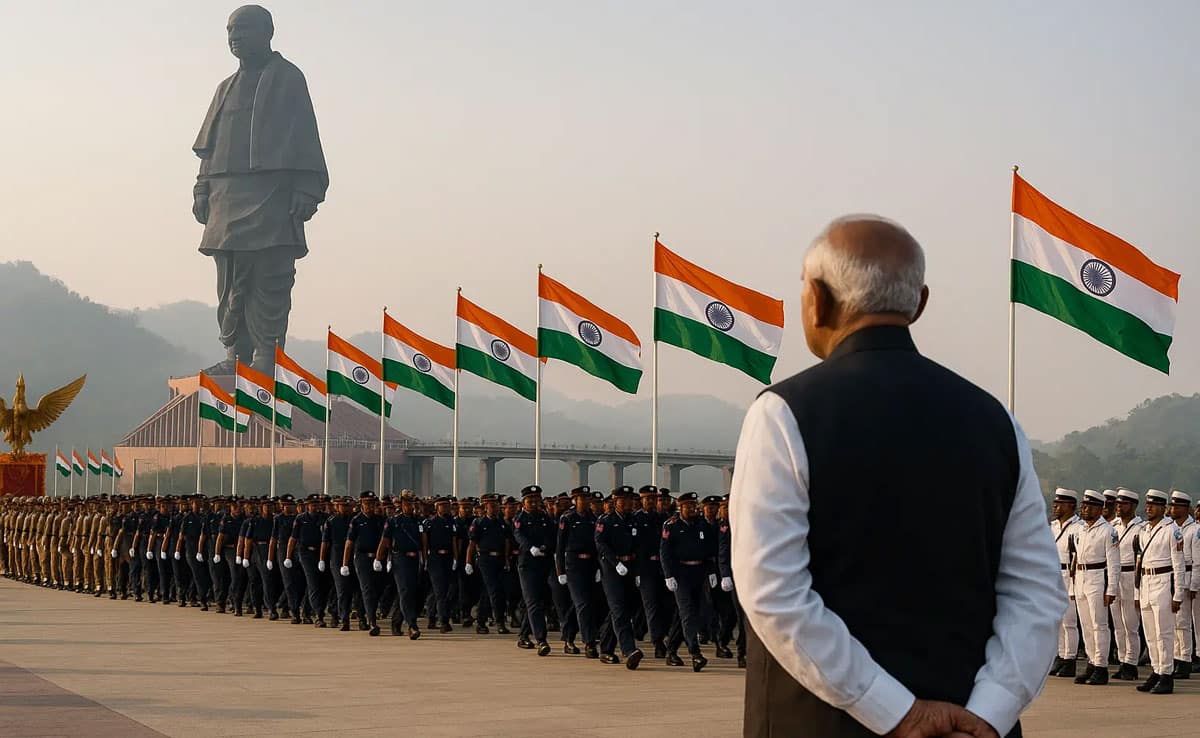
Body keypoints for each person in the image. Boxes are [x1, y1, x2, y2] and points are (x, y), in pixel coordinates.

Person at [730, 216, 1063, 738]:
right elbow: (1037, 594)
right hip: (970, 725)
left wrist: (897, 711)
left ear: (817, 299)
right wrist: (989, 712)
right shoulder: (995, 421)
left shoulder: (783, 413)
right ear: (918, 303)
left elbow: (774, 592)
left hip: (824, 722)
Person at [191, 5, 328, 373]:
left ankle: (267, 355)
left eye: (244, 29)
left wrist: (305, 188)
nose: (235, 37)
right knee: (229, 278)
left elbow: (305, 136)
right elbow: (209, 146)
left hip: (271, 194)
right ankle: (235, 353)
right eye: (230, 31)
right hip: (225, 198)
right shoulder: (225, 88)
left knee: (270, 275)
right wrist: (202, 188)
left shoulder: (288, 78)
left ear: (268, 32)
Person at [1135, 489, 1185, 694]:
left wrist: (1178, 594)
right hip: (1146, 582)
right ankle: (1156, 669)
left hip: (1164, 583)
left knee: (1164, 632)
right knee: (1151, 633)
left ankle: (1167, 674)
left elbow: (1179, 565)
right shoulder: (1144, 530)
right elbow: (1140, 562)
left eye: (1154, 505)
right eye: (1147, 504)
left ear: (1163, 508)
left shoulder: (1172, 530)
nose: (1149, 508)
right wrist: (1138, 592)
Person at [660, 492, 716, 673]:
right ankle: (695, 653)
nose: (693, 509)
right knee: (687, 613)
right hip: (680, 574)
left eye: (694, 505)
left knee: (689, 614)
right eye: (689, 506)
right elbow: (665, 553)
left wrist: (712, 572)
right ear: (680, 507)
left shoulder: (702, 525)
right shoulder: (672, 525)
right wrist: (668, 575)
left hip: (699, 573)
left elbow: (709, 550)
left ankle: (671, 651)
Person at [1069, 490, 1119, 685]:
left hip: (1097, 577)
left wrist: (1111, 589)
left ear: (1100, 509)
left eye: (1089, 506)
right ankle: (1091, 661)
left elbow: (1114, 563)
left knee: (1099, 625)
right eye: (1083, 506)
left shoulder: (1108, 531)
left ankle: (1101, 666)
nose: (1085, 509)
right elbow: (1075, 558)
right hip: (1081, 577)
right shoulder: (1081, 529)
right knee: (1086, 625)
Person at [595, 486, 644, 670]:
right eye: (622, 501)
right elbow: (601, 544)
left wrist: (637, 572)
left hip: (630, 568)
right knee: (619, 610)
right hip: (612, 569)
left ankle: (606, 649)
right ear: (615, 502)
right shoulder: (606, 521)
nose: (627, 504)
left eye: (629, 500)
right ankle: (629, 650)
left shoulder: (635, 521)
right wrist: (615, 563)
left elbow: (639, 547)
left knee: (624, 610)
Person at [557, 486, 602, 659]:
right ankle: (589, 643)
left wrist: (598, 567)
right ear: (575, 500)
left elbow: (598, 545)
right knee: (583, 603)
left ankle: (568, 636)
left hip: (590, 563)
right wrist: (560, 570)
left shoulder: (594, 519)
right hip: (573, 564)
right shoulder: (567, 518)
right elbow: (560, 547)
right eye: (581, 498)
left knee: (584, 604)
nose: (585, 502)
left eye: (587, 498)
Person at [512, 485, 554, 656]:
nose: (534, 503)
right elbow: (518, 535)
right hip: (527, 564)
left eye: (537, 500)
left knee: (540, 601)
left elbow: (551, 535)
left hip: (544, 562)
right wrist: (530, 548)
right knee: (533, 602)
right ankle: (541, 640)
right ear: (524, 502)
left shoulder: (544, 517)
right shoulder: (520, 518)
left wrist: (544, 546)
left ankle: (523, 635)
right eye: (531, 500)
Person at [376, 493, 424, 639]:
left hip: (414, 559)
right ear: (402, 505)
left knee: (409, 593)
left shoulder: (418, 521)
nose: (410, 506)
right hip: (400, 559)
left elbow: (423, 541)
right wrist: (379, 558)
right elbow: (385, 540)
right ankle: (412, 625)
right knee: (405, 590)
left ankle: (396, 622)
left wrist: (424, 558)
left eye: (412, 504)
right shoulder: (393, 521)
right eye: (407, 504)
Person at [1109, 488, 1144, 681]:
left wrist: (1139, 587)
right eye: (1118, 504)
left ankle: (1131, 663)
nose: (1119, 507)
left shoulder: (1140, 528)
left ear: (1132, 506)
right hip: (1116, 575)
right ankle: (1123, 659)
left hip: (1131, 575)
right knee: (1118, 624)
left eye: (1123, 504)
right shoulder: (1114, 527)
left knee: (1131, 623)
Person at [1049, 488, 1083, 678]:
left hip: (1070, 574)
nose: (1055, 506)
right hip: (1054, 574)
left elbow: (1079, 555)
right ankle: (1060, 655)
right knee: (1057, 621)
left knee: (1069, 621)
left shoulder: (1078, 528)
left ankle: (1069, 659)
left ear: (1070, 506)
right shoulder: (1053, 526)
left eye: (1060, 503)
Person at [344, 491, 385, 636]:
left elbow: (386, 540)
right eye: (367, 503)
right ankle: (372, 622)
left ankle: (363, 614)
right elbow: (349, 543)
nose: (369, 506)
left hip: (378, 558)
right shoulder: (356, 520)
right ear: (362, 504)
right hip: (362, 558)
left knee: (376, 590)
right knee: (367, 589)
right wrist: (345, 563)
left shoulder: (380, 520)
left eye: (372, 503)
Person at [1166, 490, 1195, 679]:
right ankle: (1177, 656)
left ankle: (1185, 659)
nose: (1172, 509)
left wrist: (1193, 585)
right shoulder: (1171, 528)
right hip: (1173, 576)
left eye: (1176, 506)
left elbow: (1197, 561)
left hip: (1188, 574)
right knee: (1175, 622)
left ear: (1185, 508)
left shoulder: (1194, 530)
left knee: (1183, 622)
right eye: (1171, 505)